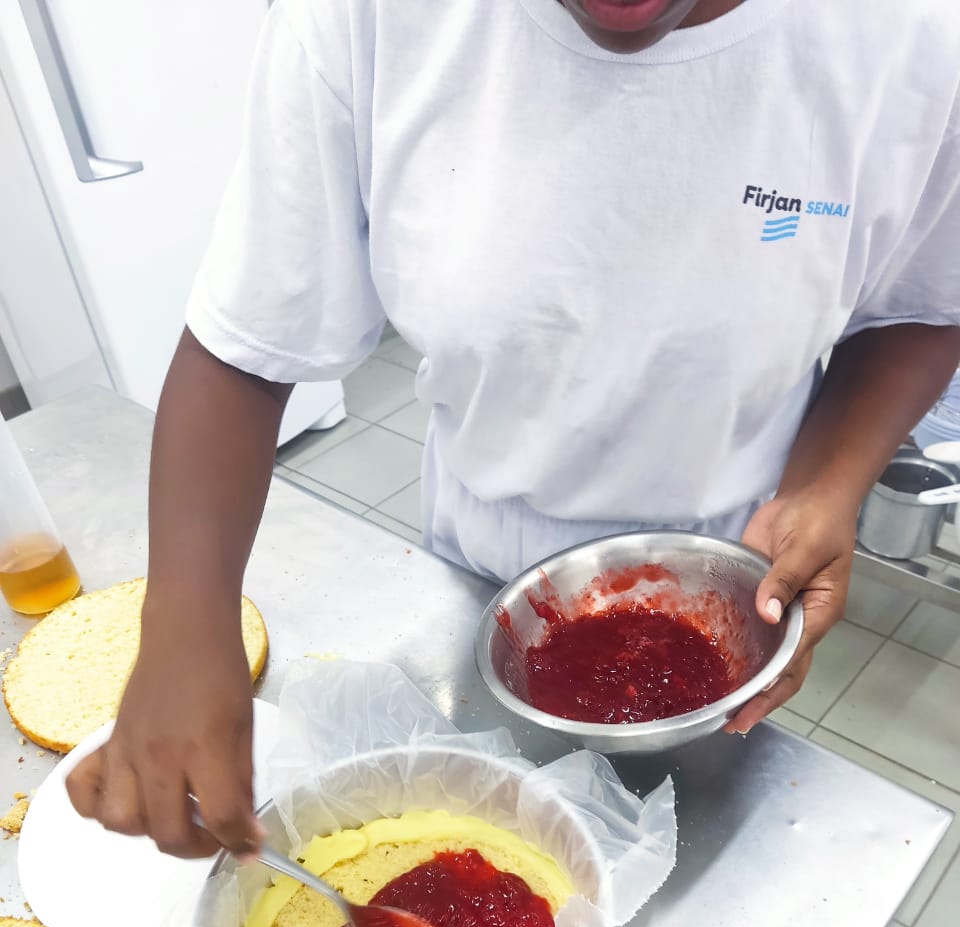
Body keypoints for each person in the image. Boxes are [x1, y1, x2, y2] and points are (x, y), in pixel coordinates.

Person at [67, 0, 960, 857]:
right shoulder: (367, 18)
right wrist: (185, 625)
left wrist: (824, 490)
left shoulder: (907, 37)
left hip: (736, 586)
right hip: (474, 581)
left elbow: (922, 306)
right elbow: (248, 345)